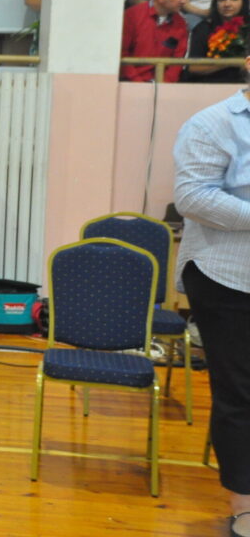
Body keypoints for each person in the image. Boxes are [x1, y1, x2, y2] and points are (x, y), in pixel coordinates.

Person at [173, 86, 250, 537]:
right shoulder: (213, 123)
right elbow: (194, 197)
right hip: (228, 276)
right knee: (240, 392)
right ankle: (244, 505)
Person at [120, 0, 189, 83]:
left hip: (163, 85)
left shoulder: (181, 23)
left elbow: (177, 61)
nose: (184, 1)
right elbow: (122, 54)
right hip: (130, 82)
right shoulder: (132, 16)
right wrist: (138, 83)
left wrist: (163, 85)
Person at [185, 0, 249, 83]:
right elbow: (193, 67)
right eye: (222, 0)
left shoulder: (247, 29)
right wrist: (228, 62)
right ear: (216, 3)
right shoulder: (204, 28)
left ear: (244, 2)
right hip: (209, 85)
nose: (227, 4)